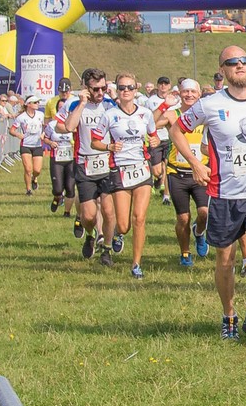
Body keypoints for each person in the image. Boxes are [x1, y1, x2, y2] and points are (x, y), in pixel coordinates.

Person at [170, 47, 246, 342]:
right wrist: (195, 163)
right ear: (222, 69)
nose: (240, 65)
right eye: (232, 62)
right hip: (223, 194)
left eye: (244, 61)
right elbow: (176, 130)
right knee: (225, 261)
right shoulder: (209, 104)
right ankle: (228, 315)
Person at [96, 73, 158, 277]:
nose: (126, 91)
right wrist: (109, 146)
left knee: (139, 218)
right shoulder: (109, 115)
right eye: (122, 87)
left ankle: (136, 264)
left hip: (142, 169)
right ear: (117, 90)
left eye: (130, 87)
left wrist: (155, 141)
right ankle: (118, 234)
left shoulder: (146, 114)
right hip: (120, 171)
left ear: (135, 90)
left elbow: (154, 136)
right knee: (123, 225)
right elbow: (94, 141)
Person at [64, 69, 118, 263]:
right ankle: (90, 234)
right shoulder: (76, 104)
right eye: (95, 89)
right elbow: (69, 127)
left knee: (108, 210)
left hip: (107, 162)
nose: (100, 92)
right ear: (86, 88)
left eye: (103, 88)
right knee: (88, 215)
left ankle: (107, 249)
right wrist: (82, 103)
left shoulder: (110, 105)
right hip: (85, 164)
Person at [161, 78, 210, 267]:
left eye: (193, 92)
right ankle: (185, 252)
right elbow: (151, 124)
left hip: (201, 172)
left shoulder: (205, 114)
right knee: (183, 217)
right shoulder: (172, 114)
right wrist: (165, 105)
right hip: (177, 173)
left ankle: (199, 232)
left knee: (204, 212)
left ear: (199, 94)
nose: (189, 95)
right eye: (185, 91)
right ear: (179, 93)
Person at [142, 76, 178, 205]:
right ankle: (158, 179)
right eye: (161, 83)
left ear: (169, 86)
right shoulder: (151, 101)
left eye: (166, 84)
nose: (163, 86)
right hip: (155, 138)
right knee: (157, 171)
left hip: (170, 138)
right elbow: (147, 119)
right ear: (157, 85)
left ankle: (166, 196)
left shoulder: (176, 101)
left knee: (167, 166)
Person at [45, 101, 77, 219]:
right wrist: (50, 143)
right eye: (60, 108)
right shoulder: (52, 125)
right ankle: (57, 197)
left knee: (70, 187)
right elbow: (45, 138)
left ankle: (67, 212)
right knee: (58, 188)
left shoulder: (75, 123)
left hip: (71, 158)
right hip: (57, 158)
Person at [10, 95, 47, 196]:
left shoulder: (40, 115)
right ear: (28, 104)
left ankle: (34, 178)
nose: (37, 104)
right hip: (26, 145)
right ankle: (28, 189)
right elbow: (12, 130)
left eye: (38, 102)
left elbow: (45, 126)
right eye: (35, 102)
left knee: (37, 170)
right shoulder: (21, 117)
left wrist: (43, 133)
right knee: (28, 169)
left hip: (37, 145)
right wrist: (18, 134)